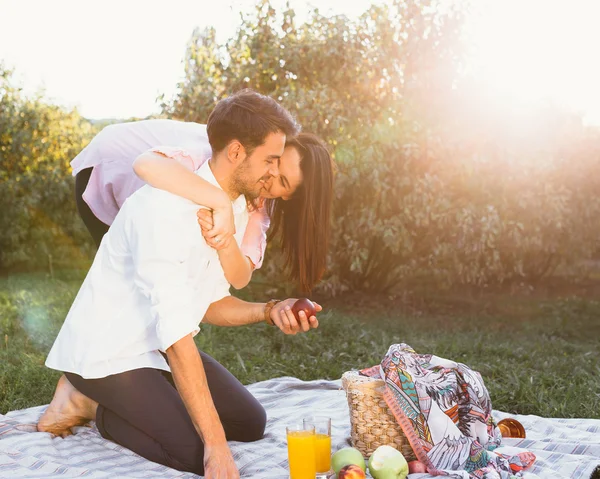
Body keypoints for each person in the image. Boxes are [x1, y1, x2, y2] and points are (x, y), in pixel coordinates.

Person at [37, 90, 319, 479]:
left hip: (150, 344)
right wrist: (216, 448)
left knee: (249, 422)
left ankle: (148, 400)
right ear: (236, 152)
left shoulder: (235, 207)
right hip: (107, 353)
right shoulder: (161, 207)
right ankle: (92, 404)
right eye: (271, 161)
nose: (273, 174)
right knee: (195, 452)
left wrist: (270, 310)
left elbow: (209, 302)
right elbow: (177, 339)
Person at [73, 117, 334, 292]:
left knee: (143, 284)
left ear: (288, 196)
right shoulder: (220, 154)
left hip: (139, 188)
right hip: (105, 165)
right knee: (121, 278)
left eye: (284, 182)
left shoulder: (259, 203)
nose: (271, 175)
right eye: (276, 161)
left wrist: (227, 242)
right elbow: (146, 164)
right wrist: (220, 202)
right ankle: (89, 364)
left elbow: (240, 277)